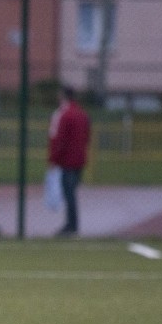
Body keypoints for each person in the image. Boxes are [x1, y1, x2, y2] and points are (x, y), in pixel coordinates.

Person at [48, 85, 91, 237]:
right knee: (71, 192)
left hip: (67, 160)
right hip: (79, 159)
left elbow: (59, 139)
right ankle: (72, 224)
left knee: (69, 194)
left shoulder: (64, 114)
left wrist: (54, 158)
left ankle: (71, 225)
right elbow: (87, 136)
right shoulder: (82, 114)